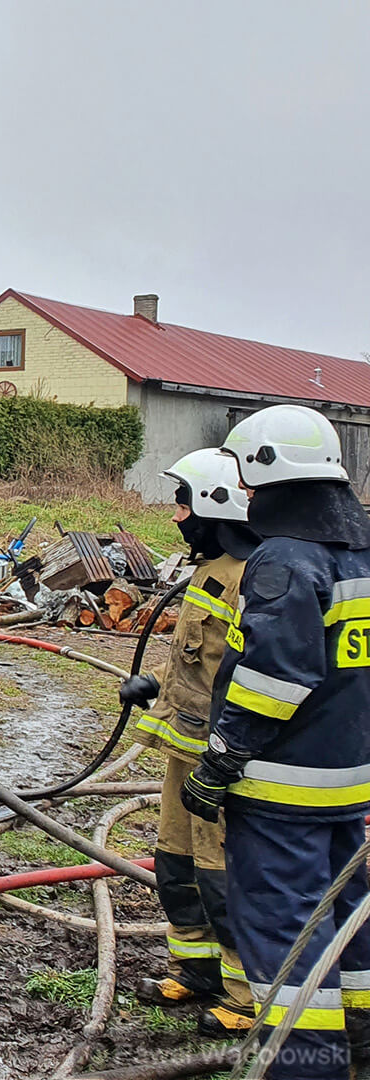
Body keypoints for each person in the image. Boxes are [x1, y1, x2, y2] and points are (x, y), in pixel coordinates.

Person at [186, 404, 370, 1079]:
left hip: (280, 788)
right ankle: (358, 1039)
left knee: (287, 926)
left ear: (272, 475)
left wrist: (222, 757)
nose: (248, 496)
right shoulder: (360, 552)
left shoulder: (285, 563)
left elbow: (274, 679)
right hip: (349, 781)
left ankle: (305, 1064)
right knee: (348, 910)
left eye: (250, 481)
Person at [121, 449, 258, 1035]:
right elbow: (200, 658)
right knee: (176, 863)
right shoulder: (209, 570)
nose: (177, 516)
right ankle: (195, 970)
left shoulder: (251, 579)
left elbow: (257, 675)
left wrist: (228, 753)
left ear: (218, 507)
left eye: (185, 503)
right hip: (185, 750)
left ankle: (245, 993)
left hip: (222, 758)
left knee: (220, 872)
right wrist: (158, 682)